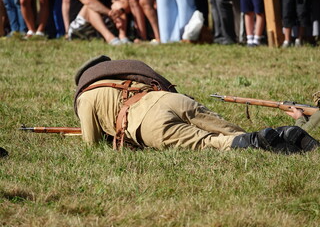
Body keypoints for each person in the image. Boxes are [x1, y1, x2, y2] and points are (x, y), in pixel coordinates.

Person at [74, 56, 319, 154]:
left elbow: (91, 145)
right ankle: (281, 134)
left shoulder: (86, 96)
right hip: (171, 100)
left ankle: (259, 140)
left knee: (211, 143)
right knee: (229, 130)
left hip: (149, 123)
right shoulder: (120, 77)